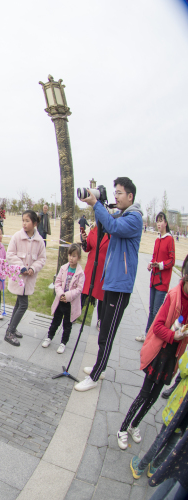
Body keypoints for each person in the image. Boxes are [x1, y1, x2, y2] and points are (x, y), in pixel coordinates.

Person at [76, 177, 143, 392]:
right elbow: (105, 224)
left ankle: (95, 377)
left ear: (130, 196)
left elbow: (112, 225)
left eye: (120, 193)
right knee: (103, 330)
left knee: (107, 332)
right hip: (111, 282)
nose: (116, 196)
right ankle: (100, 367)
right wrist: (95, 203)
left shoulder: (134, 218)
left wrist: (97, 204)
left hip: (121, 286)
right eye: (114, 193)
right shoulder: (122, 214)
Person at [117, 260, 188, 451]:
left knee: (155, 396)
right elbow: (157, 327)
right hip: (161, 353)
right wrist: (175, 335)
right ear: (185, 277)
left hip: (173, 357)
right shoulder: (174, 295)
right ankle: (122, 429)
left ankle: (134, 425)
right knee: (144, 394)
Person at [130, 351, 187, 481]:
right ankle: (155, 467)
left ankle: (140, 467)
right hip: (185, 418)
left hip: (180, 407)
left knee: (162, 437)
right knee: (173, 442)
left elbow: (183, 367)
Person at [4, 210, 47, 346]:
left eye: (27, 221)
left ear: (34, 223)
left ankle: (12, 328)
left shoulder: (39, 241)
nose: (24, 223)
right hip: (19, 278)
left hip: (29, 280)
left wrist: (33, 268)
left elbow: (42, 259)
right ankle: (9, 332)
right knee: (23, 304)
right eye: (23, 220)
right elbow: (10, 254)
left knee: (19, 303)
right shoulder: (17, 237)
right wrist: (21, 266)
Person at [136, 212, 176, 343]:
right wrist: (150, 264)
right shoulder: (158, 239)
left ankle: (152, 337)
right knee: (151, 309)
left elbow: (172, 261)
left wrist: (160, 265)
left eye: (161, 221)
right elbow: (154, 256)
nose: (159, 223)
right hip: (154, 280)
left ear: (166, 223)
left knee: (156, 311)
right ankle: (148, 334)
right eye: (157, 221)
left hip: (162, 281)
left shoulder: (169, 239)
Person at [41, 244, 85, 354]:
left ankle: (63, 343)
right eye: (70, 255)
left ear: (78, 257)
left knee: (67, 324)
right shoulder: (63, 268)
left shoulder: (80, 273)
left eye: (74, 256)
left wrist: (68, 296)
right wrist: (61, 294)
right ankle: (49, 337)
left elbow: (79, 289)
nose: (71, 258)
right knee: (56, 321)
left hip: (70, 303)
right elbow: (58, 283)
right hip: (60, 301)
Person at [80, 215, 109, 331]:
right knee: (84, 292)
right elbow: (87, 248)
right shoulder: (93, 231)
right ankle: (74, 315)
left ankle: (100, 320)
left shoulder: (110, 233)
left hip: (103, 269)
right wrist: (83, 240)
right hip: (91, 267)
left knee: (101, 295)